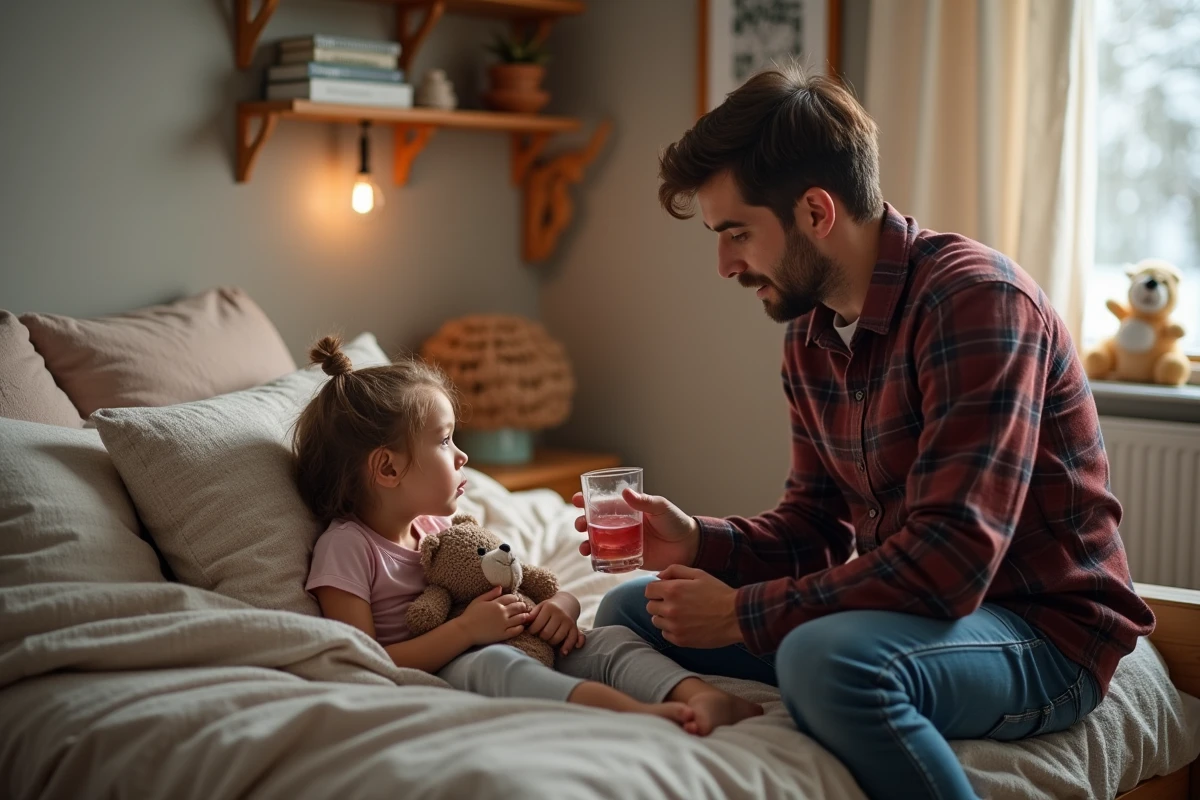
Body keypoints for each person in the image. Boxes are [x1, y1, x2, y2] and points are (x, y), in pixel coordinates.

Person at [580, 66, 1156, 798]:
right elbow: (815, 529)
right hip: (919, 619)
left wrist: (741, 613)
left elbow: (952, 562)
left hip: (1043, 633)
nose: (725, 265)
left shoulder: (977, 301)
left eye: (735, 233)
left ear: (816, 212)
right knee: (632, 606)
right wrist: (697, 542)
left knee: (826, 658)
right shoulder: (811, 334)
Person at [293, 335, 762, 735]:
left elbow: (518, 581)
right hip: (455, 665)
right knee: (499, 668)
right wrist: (466, 631)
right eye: (443, 440)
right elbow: (366, 660)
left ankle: (700, 695)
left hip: (510, 638)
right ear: (388, 467)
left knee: (605, 638)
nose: (461, 456)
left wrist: (560, 608)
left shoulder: (440, 529)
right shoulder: (346, 548)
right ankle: (639, 717)